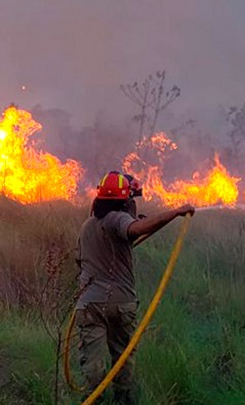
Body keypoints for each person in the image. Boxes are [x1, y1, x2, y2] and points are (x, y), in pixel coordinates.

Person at [75, 171, 194, 404]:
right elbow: (136, 229)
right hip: (120, 303)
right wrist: (175, 212)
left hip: (90, 304)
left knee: (92, 360)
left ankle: (94, 398)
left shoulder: (88, 225)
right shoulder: (117, 219)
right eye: (131, 199)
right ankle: (123, 399)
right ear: (125, 201)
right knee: (123, 356)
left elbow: (79, 261)